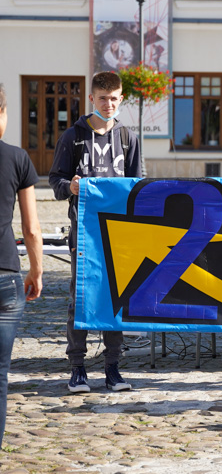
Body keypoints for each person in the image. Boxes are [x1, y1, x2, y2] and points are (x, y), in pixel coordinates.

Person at [49, 71, 141, 393]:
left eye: (115, 98)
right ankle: (77, 367)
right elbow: (55, 181)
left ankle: (113, 367)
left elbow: (136, 187)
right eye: (103, 98)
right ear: (92, 98)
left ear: (121, 99)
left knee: (115, 298)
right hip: (84, 234)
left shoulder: (128, 138)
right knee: (81, 298)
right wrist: (70, 186)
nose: (109, 104)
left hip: (116, 235)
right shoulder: (72, 137)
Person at [0, 83, 42, 447]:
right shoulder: (17, 158)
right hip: (6, 275)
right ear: (2, 114)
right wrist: (37, 271)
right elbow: (31, 227)